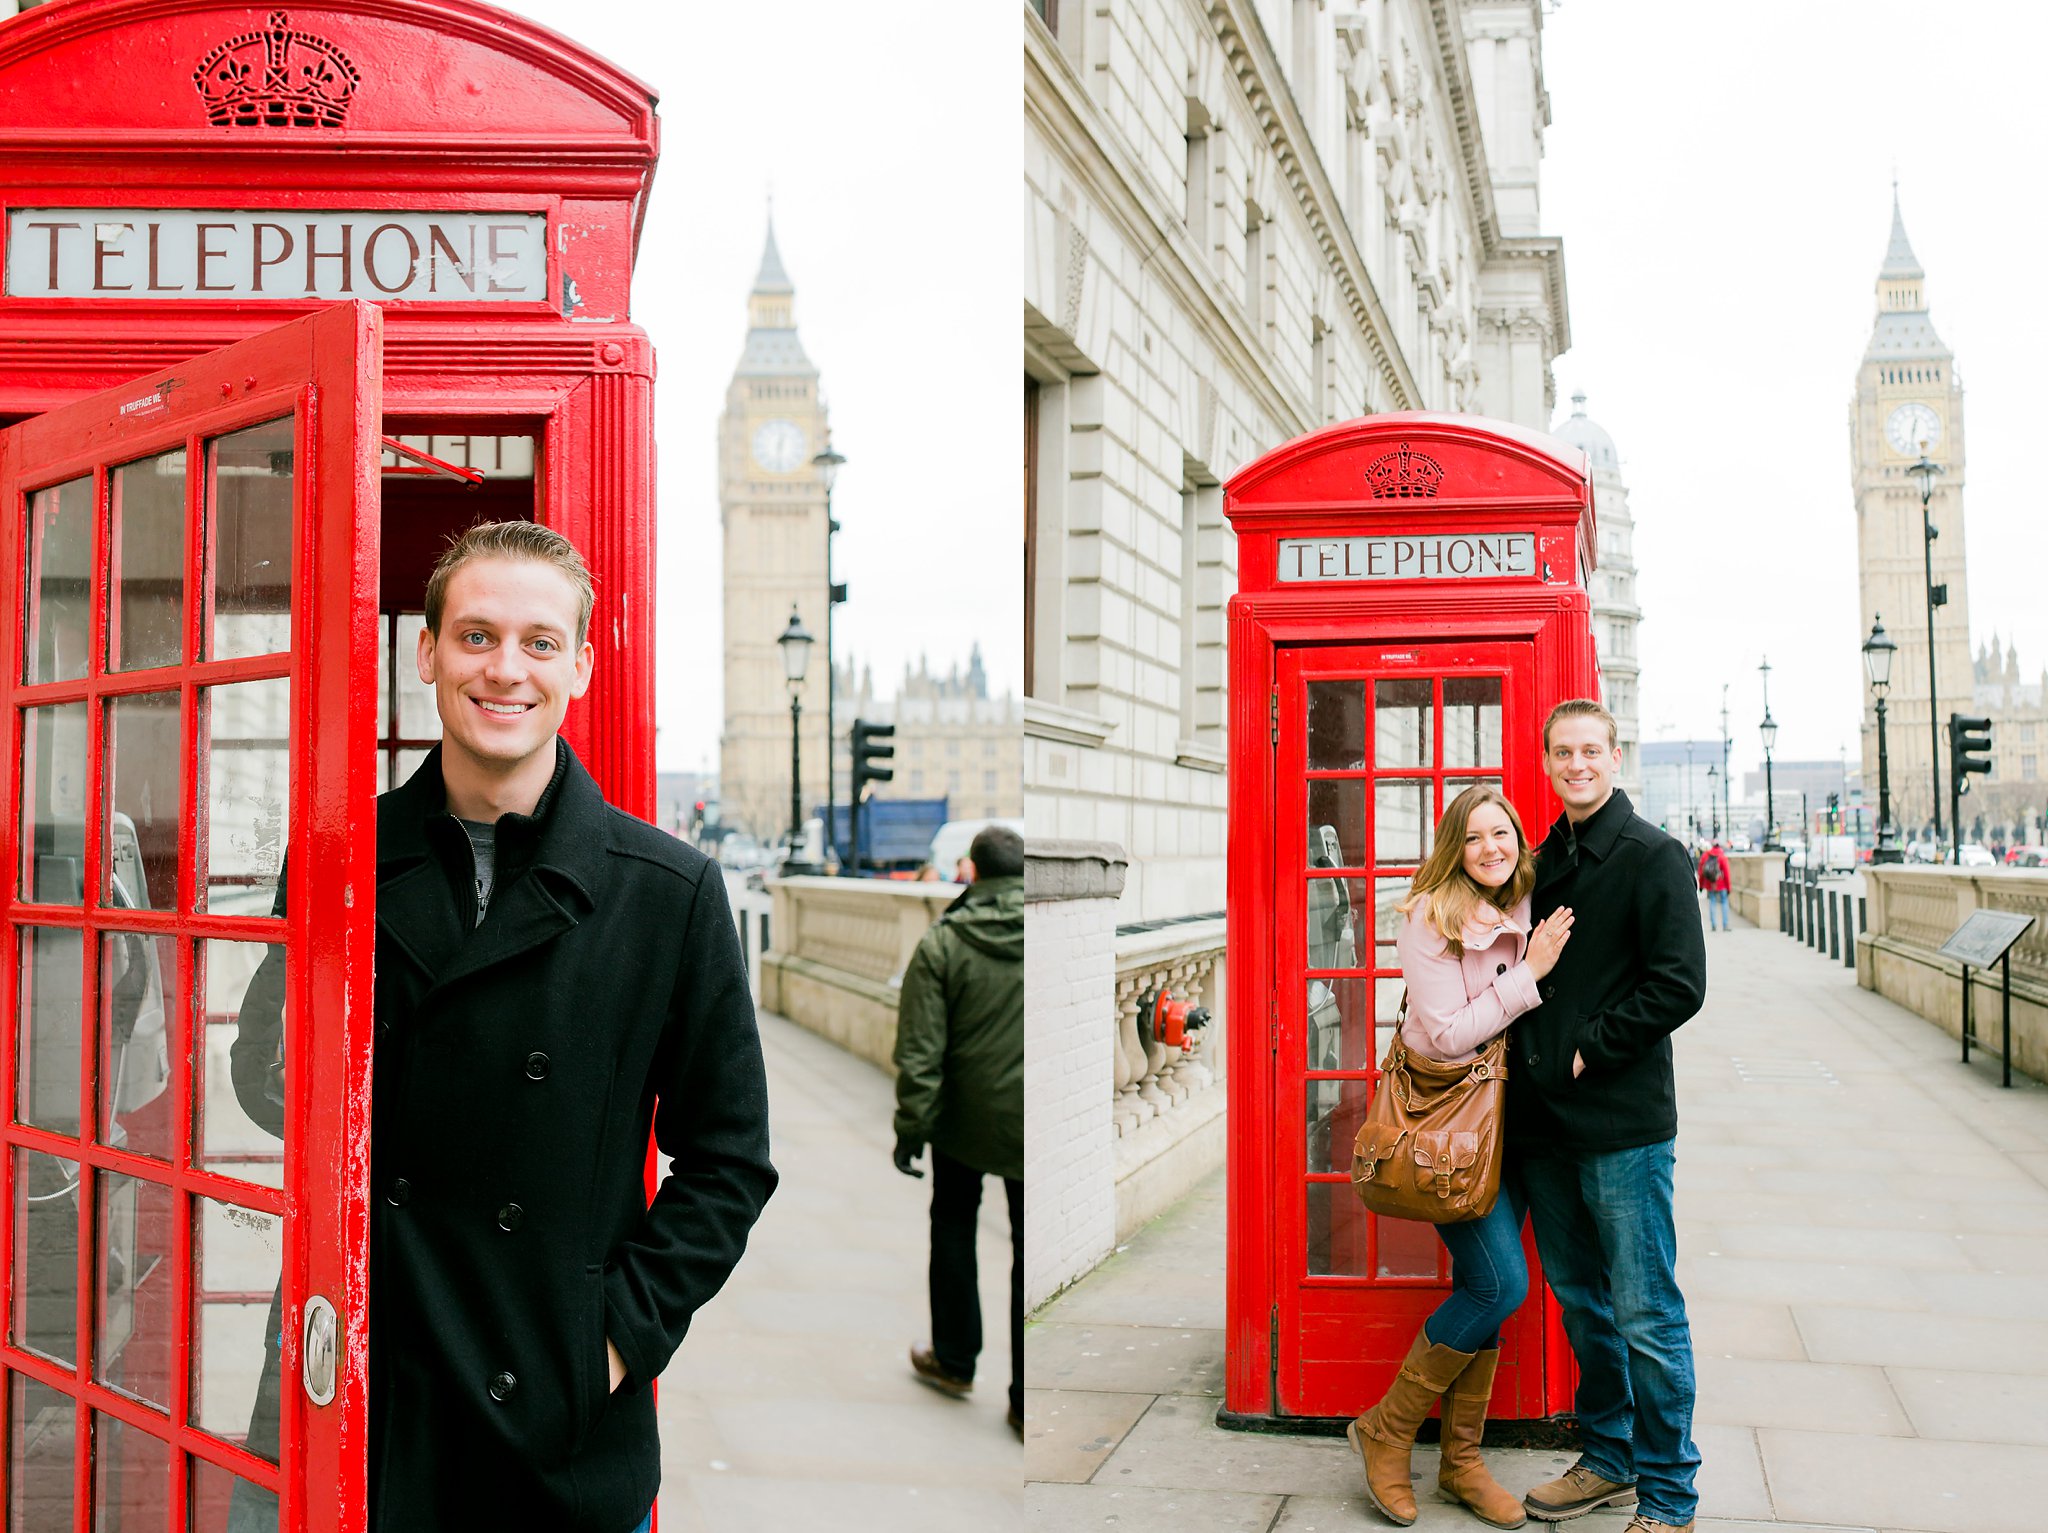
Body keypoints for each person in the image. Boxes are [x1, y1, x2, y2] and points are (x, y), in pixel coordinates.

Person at [229, 522, 777, 1533]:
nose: (504, 669)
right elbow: (258, 1082)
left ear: (579, 662)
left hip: (550, 1411)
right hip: (356, 1376)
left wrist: (610, 1341)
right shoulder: (335, 861)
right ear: (427, 651)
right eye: (476, 636)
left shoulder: (668, 893)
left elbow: (729, 1160)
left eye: (536, 641)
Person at [1348, 786, 1573, 1530]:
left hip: (1516, 1123)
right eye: (1473, 836)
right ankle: (1387, 1427)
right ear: (1455, 845)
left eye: (1501, 833)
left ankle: (1461, 1461)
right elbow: (1446, 1033)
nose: (1490, 848)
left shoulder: (1526, 903)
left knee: (1486, 1282)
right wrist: (1529, 971)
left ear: (1518, 839)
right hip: (1452, 1127)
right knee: (1502, 1283)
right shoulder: (1429, 916)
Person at [1514, 700, 1706, 1533]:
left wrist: (1594, 1045)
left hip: (1623, 1123)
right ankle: (1609, 1456)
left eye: (1591, 749)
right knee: (1581, 1300)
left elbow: (1680, 983)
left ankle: (1668, 1495)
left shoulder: (1654, 855)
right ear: (1549, 761)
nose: (1577, 763)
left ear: (1614, 755)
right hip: (1544, 1124)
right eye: (1563, 751)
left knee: (1646, 1312)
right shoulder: (1541, 857)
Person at [892, 824, 1025, 1437]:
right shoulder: (1046, 934)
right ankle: (1027, 1401)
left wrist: (910, 1128)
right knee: (1030, 1252)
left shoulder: (943, 941)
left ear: (972, 870)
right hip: (1031, 1125)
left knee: (953, 1230)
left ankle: (954, 1361)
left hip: (962, 1124)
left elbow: (920, 1051)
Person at [1695, 841, 1731, 932]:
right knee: (1724, 902)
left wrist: (1701, 885)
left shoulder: (1706, 856)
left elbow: (1701, 872)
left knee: (1712, 902)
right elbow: (1726, 874)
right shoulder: (1722, 856)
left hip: (1710, 884)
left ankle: (1714, 925)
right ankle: (1725, 924)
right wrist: (1728, 887)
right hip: (1721, 884)